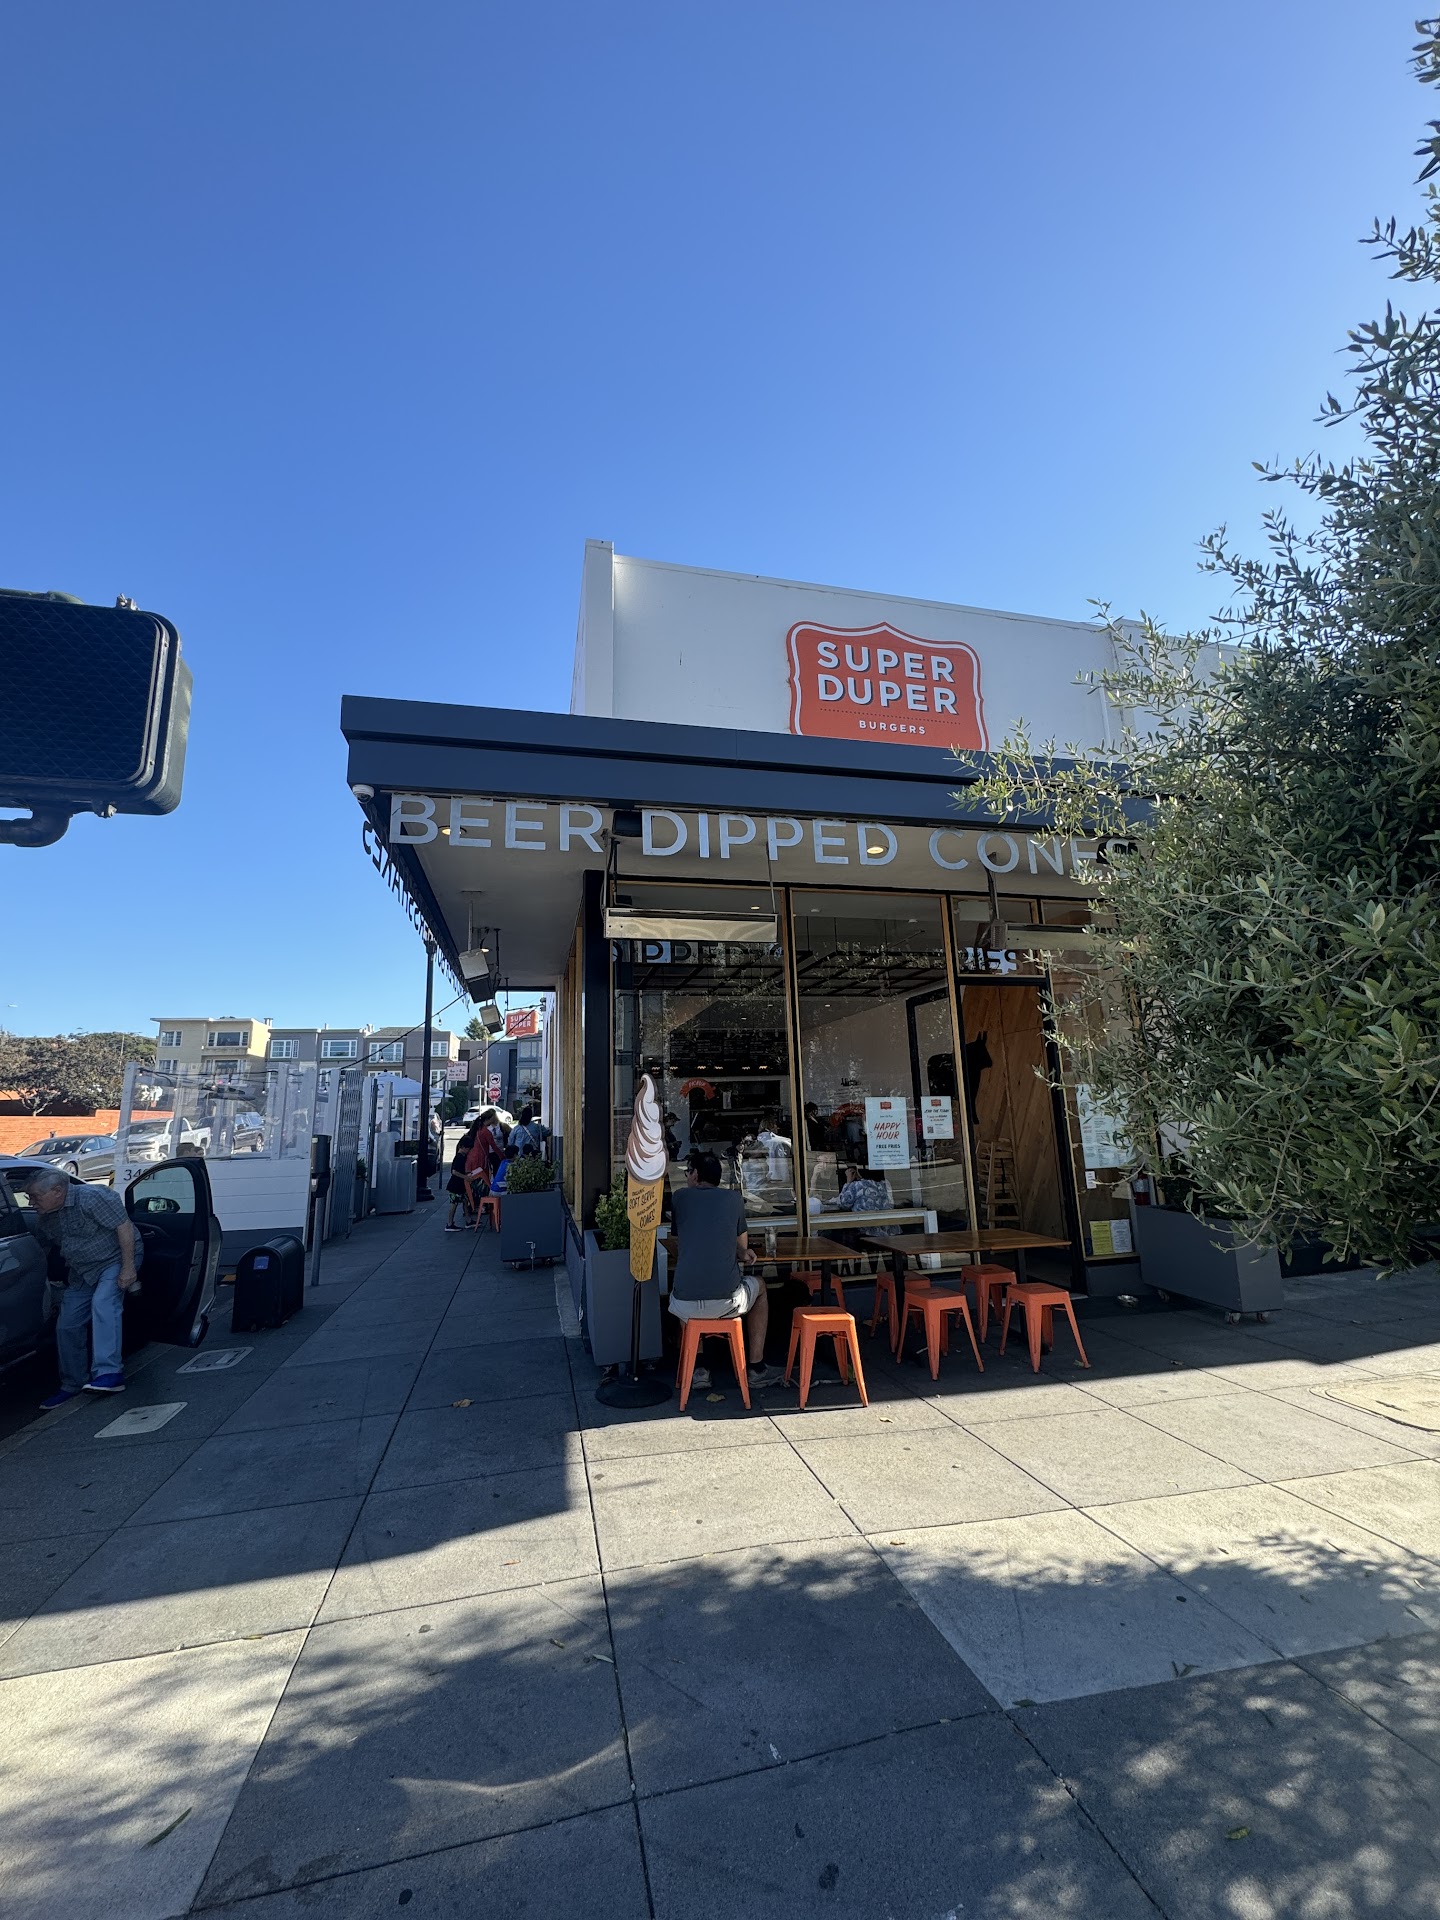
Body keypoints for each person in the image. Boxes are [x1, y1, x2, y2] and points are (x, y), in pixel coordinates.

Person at [24, 1167, 143, 1407]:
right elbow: (46, 1248)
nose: (31, 1203)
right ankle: (73, 1383)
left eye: (35, 1196)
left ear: (57, 1191)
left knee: (104, 1303)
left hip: (114, 1259)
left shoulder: (93, 1197)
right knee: (67, 1324)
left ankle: (109, 1373)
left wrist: (128, 1268)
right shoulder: (46, 1216)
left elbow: (124, 1227)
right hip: (82, 1270)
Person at [667, 1152, 781, 1391]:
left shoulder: (679, 1198)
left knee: (687, 1288)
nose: (687, 1177)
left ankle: (699, 1369)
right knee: (760, 1286)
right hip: (727, 1302)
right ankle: (756, 1366)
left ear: (695, 1175)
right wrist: (742, 1252)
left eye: (688, 1172)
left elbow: (682, 1240)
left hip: (683, 1304)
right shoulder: (733, 1199)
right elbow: (740, 1245)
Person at [444, 1122, 480, 1231]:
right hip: (455, 1185)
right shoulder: (459, 1157)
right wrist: (466, 1177)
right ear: (463, 1147)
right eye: (468, 1149)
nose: (469, 1151)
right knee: (454, 1204)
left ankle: (468, 1220)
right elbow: (454, 1171)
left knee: (465, 1201)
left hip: (460, 1185)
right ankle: (449, 1223)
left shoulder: (462, 1156)